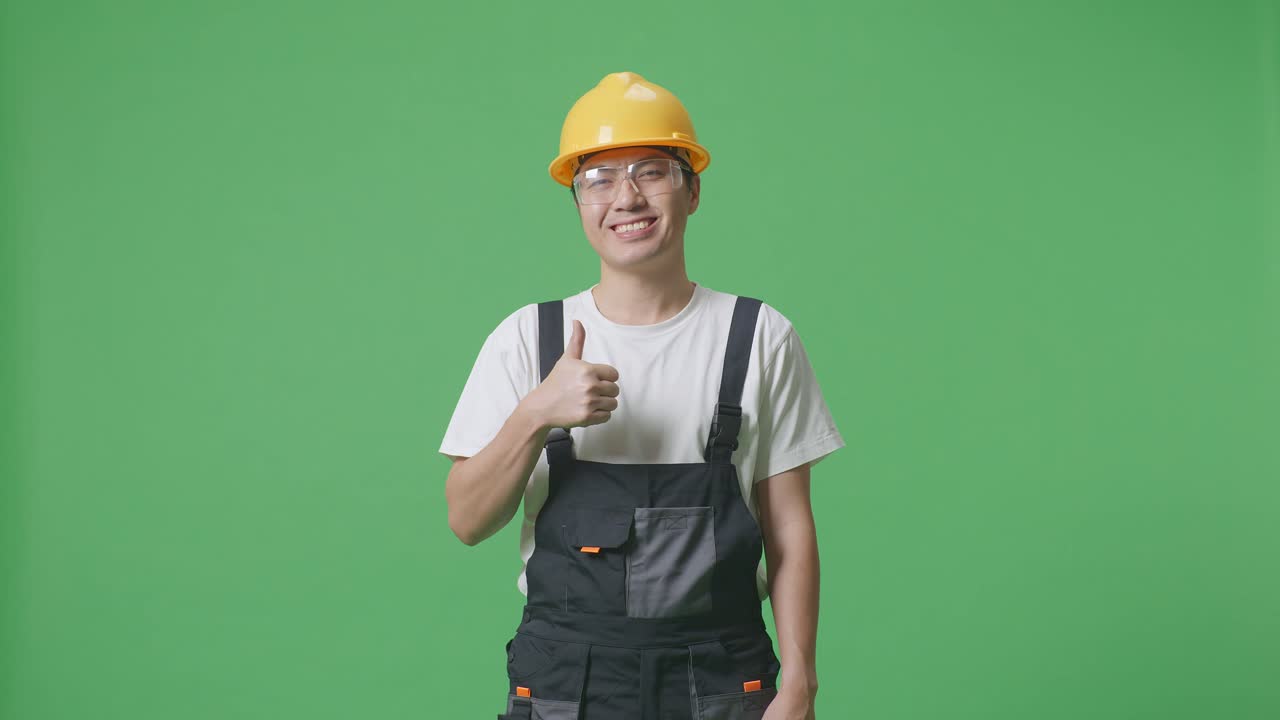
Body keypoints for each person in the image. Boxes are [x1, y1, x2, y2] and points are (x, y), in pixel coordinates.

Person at [439, 71, 845, 720]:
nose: (626, 197)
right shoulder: (527, 339)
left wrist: (799, 684)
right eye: (598, 178)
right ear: (577, 202)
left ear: (693, 191)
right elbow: (466, 521)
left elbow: (790, 529)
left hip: (723, 677)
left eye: (651, 171)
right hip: (567, 680)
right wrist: (537, 412)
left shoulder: (759, 336)